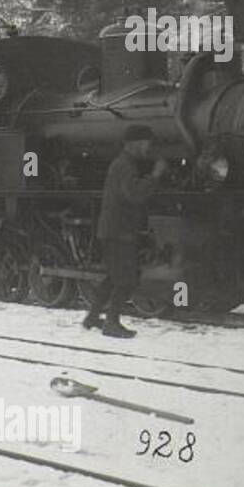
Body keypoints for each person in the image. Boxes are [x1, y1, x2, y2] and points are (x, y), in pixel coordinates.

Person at [81, 124, 167, 339]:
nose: (149, 148)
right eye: (147, 143)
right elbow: (135, 194)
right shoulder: (124, 165)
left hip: (115, 230)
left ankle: (92, 317)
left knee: (113, 277)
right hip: (119, 231)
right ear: (136, 143)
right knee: (127, 280)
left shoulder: (123, 164)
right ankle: (111, 322)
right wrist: (156, 176)